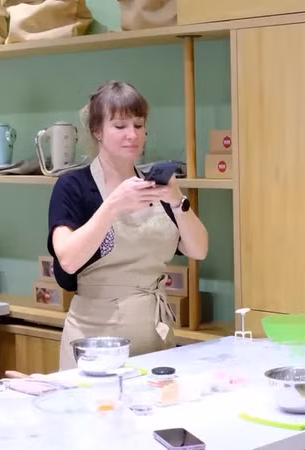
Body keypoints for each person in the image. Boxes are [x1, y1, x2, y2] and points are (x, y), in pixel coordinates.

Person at [48, 81, 209, 370]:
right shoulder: (73, 186)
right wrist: (112, 206)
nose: (132, 135)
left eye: (138, 125)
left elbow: (199, 249)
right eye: (120, 126)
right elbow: (68, 260)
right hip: (95, 344)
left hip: (155, 340)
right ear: (97, 131)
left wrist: (177, 200)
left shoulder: (157, 186)